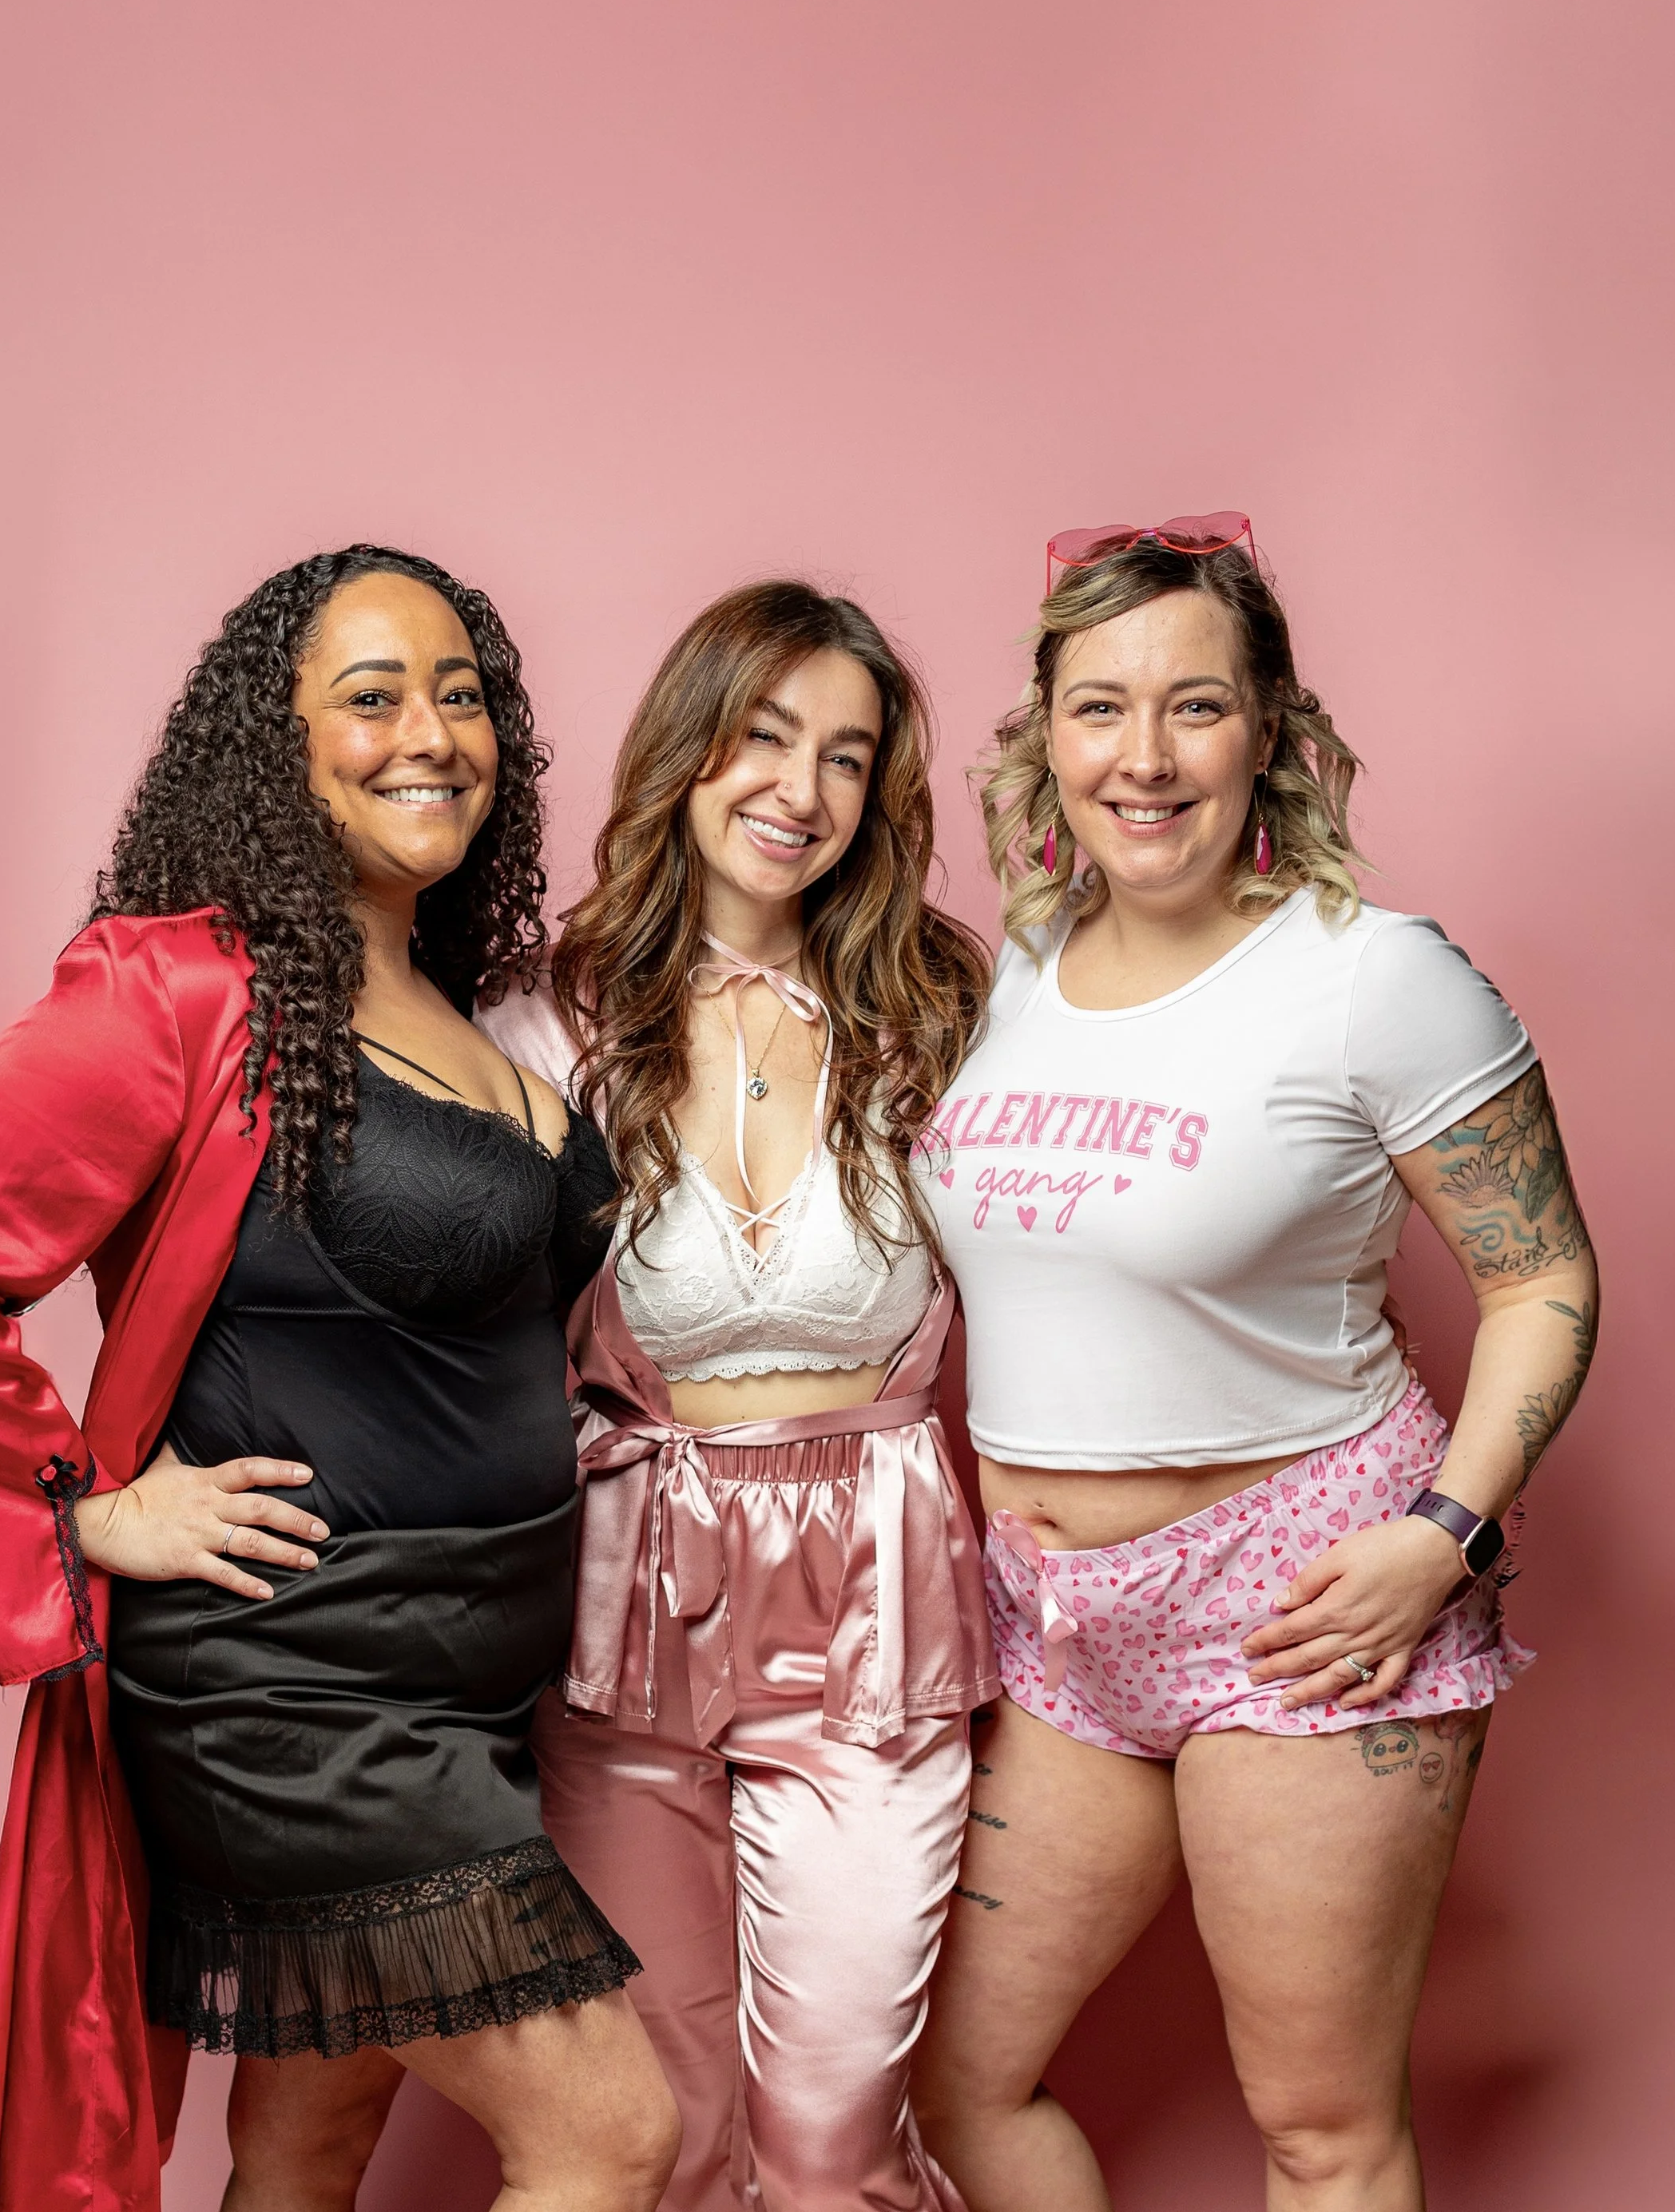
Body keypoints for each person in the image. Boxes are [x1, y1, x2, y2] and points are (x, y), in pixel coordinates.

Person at [0, 545, 678, 2212]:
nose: (430, 733)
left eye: (461, 695)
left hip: (470, 1690)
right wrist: (82, 1509)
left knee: (306, 2143)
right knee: (609, 2132)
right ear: (274, 746)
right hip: (295, 1695)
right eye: (371, 697)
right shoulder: (181, 988)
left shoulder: (457, 1007)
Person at [911, 515, 1598, 2212]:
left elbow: (1541, 1277)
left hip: (1301, 1606)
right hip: (1053, 1623)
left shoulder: (1375, 979)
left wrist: (1443, 1533)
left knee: (1318, 2126)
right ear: (1045, 736)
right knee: (949, 2083)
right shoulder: (1007, 977)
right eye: (1100, 708)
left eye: (1195, 706)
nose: (1142, 758)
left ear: (1270, 732)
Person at [480, 581, 998, 2211]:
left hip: (877, 1594)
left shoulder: (940, 1011)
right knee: (666, 2121)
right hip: (622, 1597)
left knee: (831, 2133)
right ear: (684, 746)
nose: (800, 789)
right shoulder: (544, 1020)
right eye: (764, 735)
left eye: (846, 755)